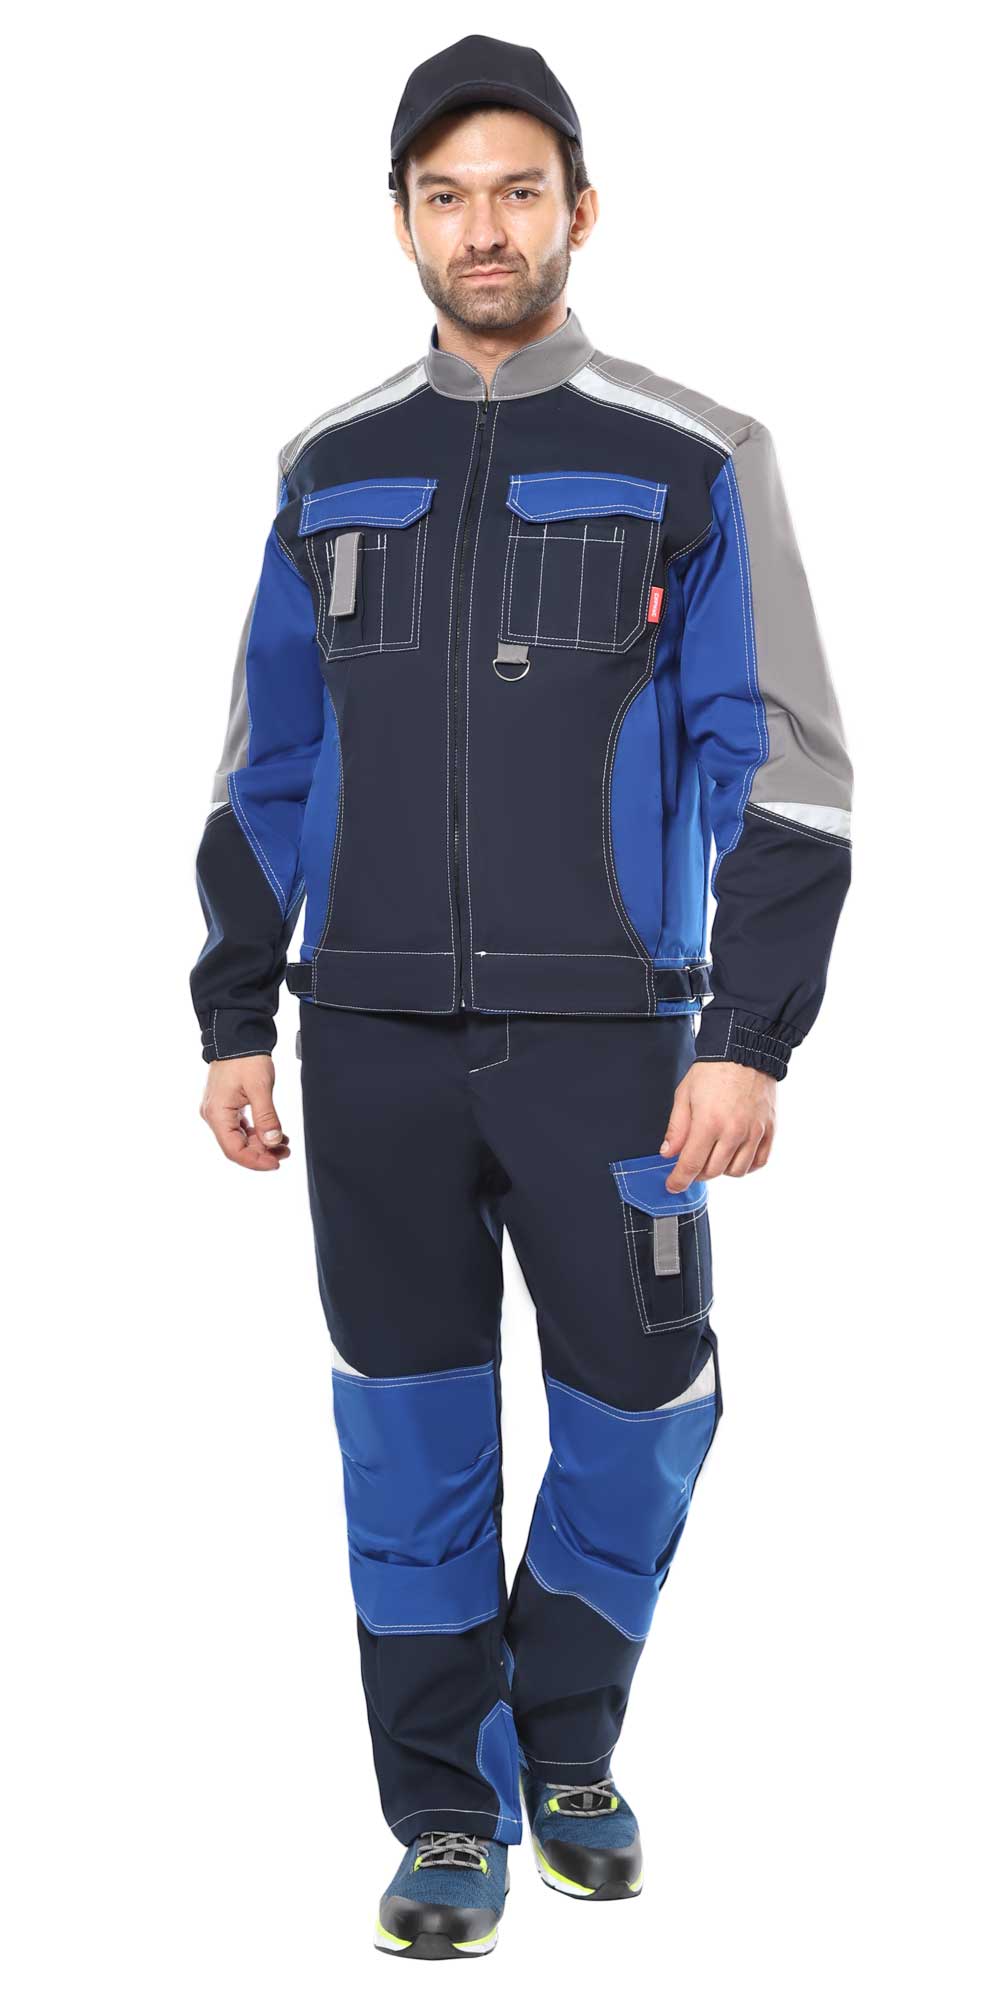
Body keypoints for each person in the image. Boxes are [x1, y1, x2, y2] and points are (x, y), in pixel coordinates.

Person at [191, 33, 852, 1961]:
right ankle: (444, 1807)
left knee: (645, 1406)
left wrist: (747, 1035)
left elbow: (787, 765)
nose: (484, 228)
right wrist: (235, 1013)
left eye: (517, 191)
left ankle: (563, 1734)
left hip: (620, 1048)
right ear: (402, 219)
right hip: (368, 1038)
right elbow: (266, 768)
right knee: (403, 1436)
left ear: (581, 207)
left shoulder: (694, 454)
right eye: (446, 195)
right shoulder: (327, 469)